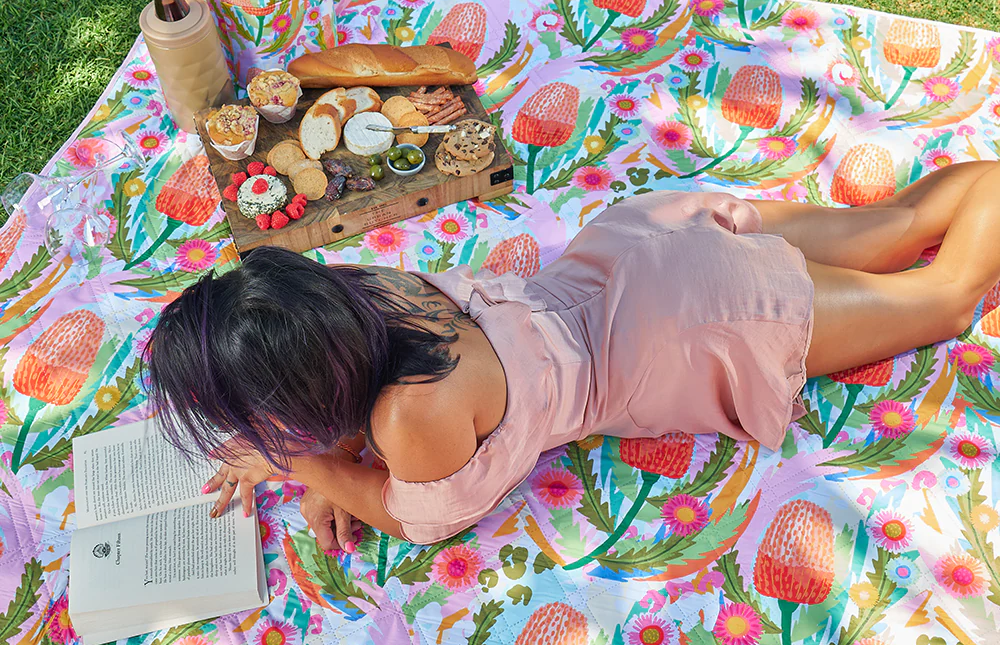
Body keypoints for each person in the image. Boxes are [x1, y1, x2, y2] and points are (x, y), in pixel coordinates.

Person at [144, 163, 1000, 548]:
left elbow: (422, 519)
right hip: (639, 247)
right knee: (895, 225)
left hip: (691, 322)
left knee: (948, 295)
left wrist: (304, 466)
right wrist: (324, 451)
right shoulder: (363, 292)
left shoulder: (415, 415)